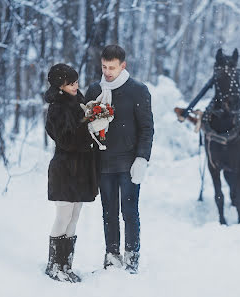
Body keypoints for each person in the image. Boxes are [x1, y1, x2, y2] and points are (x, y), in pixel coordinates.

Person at [85, 45, 154, 274]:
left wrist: (142, 159)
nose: (107, 72)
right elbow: (84, 127)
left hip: (129, 163)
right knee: (108, 213)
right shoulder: (95, 89)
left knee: (129, 212)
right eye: (104, 66)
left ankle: (132, 258)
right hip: (103, 163)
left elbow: (146, 128)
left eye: (112, 67)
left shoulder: (138, 90)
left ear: (123, 65)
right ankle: (112, 256)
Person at [44, 63, 102, 282]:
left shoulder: (79, 101)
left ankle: (66, 265)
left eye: (76, 81)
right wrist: (88, 125)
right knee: (64, 215)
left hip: (80, 169)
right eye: (71, 83)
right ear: (60, 86)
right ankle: (54, 266)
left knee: (75, 215)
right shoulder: (57, 108)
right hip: (65, 169)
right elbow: (66, 140)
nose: (76, 86)